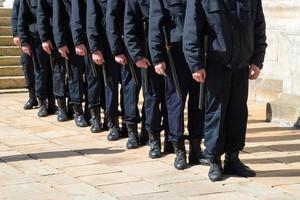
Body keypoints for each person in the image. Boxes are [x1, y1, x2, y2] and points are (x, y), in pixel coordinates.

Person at [183, 0, 267, 181]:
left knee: (238, 113)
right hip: (215, 64)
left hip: (242, 64)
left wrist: (257, 60)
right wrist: (195, 64)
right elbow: (192, 30)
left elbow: (259, 28)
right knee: (216, 114)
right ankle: (214, 160)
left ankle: (233, 159)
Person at [149, 0, 208, 169]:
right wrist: (157, 57)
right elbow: (155, 24)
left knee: (198, 103)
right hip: (175, 54)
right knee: (176, 103)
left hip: (198, 52)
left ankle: (196, 149)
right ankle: (178, 149)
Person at [124, 0, 173, 157]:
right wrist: (137, 55)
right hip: (148, 55)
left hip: (173, 53)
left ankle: (170, 140)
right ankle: (154, 140)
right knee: (152, 99)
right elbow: (129, 26)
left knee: (171, 100)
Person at [105, 0, 141, 147]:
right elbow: (111, 18)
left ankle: (136, 128)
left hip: (143, 44)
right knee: (124, 89)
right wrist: (117, 50)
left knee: (138, 90)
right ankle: (118, 125)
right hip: (124, 45)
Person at [53, 0, 88, 128]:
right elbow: (57, 18)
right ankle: (65, 109)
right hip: (67, 39)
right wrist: (60, 43)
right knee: (63, 75)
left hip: (86, 37)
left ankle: (78, 109)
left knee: (77, 77)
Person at [18, 0, 55, 117]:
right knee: (41, 71)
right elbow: (21, 18)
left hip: (55, 36)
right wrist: (24, 41)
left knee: (55, 72)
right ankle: (42, 102)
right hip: (36, 38)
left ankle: (53, 103)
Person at [37, 0, 68, 122]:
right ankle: (50, 104)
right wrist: (44, 38)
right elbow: (41, 14)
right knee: (53, 73)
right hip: (52, 37)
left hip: (69, 35)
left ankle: (68, 107)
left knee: (66, 74)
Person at [11, 0, 37, 110]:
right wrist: (16, 34)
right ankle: (32, 96)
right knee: (27, 66)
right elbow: (15, 15)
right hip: (26, 36)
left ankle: (44, 97)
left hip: (40, 35)